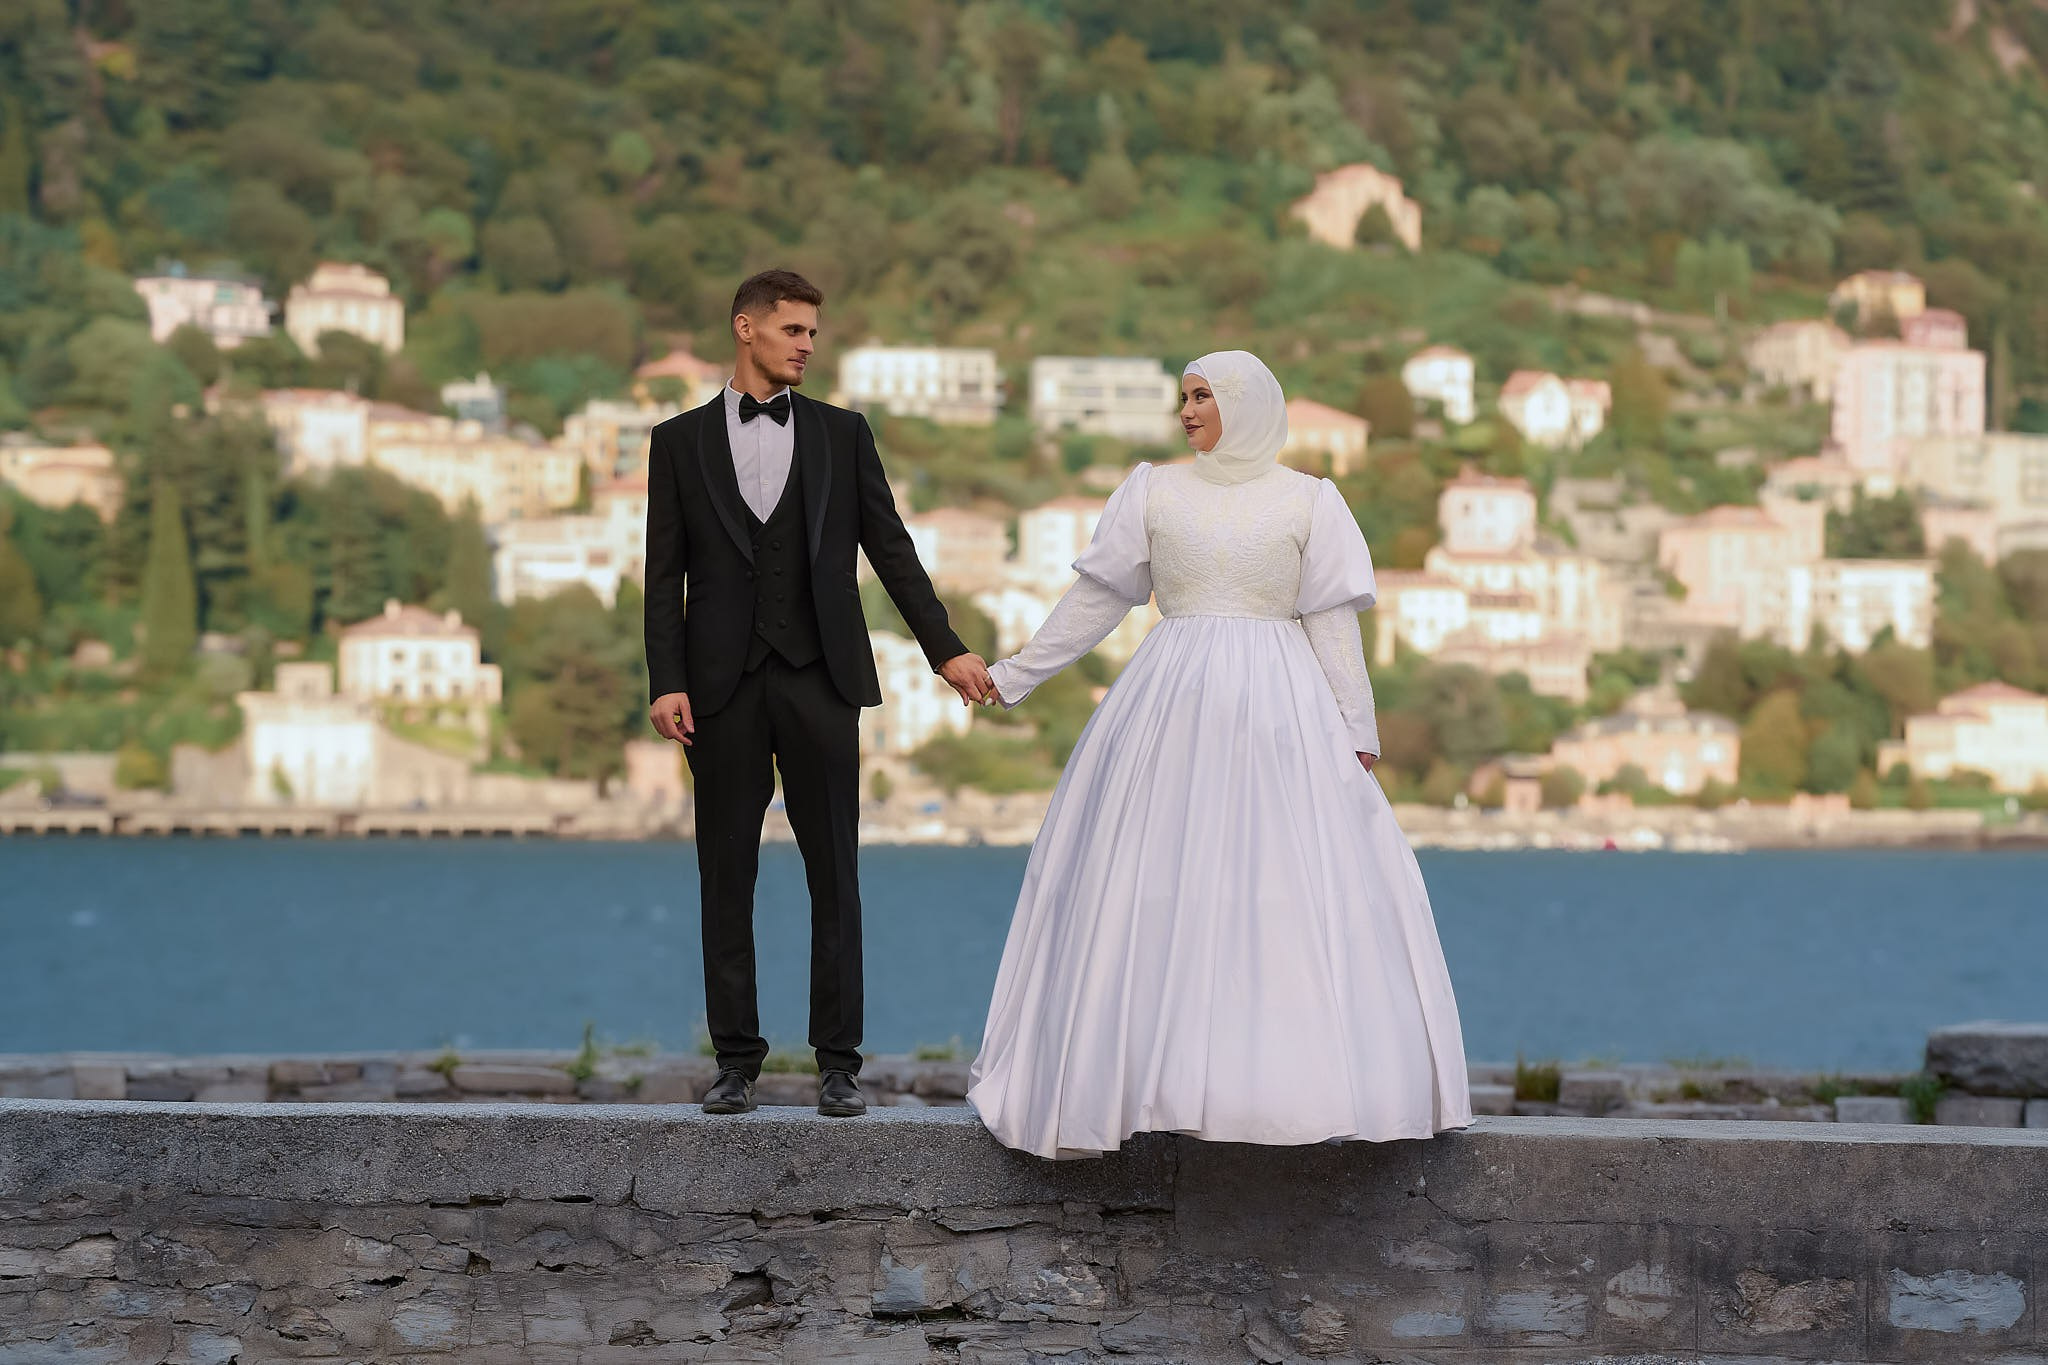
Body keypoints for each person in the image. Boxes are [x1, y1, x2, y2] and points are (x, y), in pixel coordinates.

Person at [966, 350, 1473, 1159]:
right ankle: (1150, 1082)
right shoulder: (1152, 490)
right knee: (1157, 880)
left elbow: (1333, 624)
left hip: (1282, 710)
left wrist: (1357, 728)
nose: (1188, 411)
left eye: (1203, 396)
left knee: (1278, 886)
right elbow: (1098, 599)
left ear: (1247, 403)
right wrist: (1014, 674)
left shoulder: (1312, 501)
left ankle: (1276, 1088)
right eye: (1183, 396)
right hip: (1171, 703)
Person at [644, 269, 993, 1118]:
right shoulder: (678, 441)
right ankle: (736, 1063)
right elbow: (663, 575)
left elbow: (892, 550)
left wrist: (944, 650)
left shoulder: (844, 434)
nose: (807, 344)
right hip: (719, 688)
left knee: (834, 873)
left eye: (812, 332)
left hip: (822, 678)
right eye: (793, 329)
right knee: (725, 874)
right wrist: (667, 680)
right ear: (746, 328)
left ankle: (839, 1064)